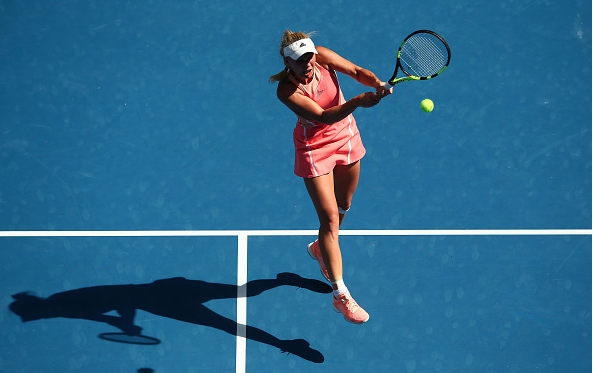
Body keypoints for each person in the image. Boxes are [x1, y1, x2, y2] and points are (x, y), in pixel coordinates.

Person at [270, 31, 391, 324]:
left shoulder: (322, 56)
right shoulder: (286, 91)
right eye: (300, 61)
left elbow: (356, 71)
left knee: (344, 204)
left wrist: (375, 83)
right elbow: (324, 117)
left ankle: (320, 248)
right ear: (288, 63)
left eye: (310, 56)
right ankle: (341, 296)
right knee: (329, 220)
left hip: (346, 135)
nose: (308, 63)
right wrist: (360, 101)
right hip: (314, 147)